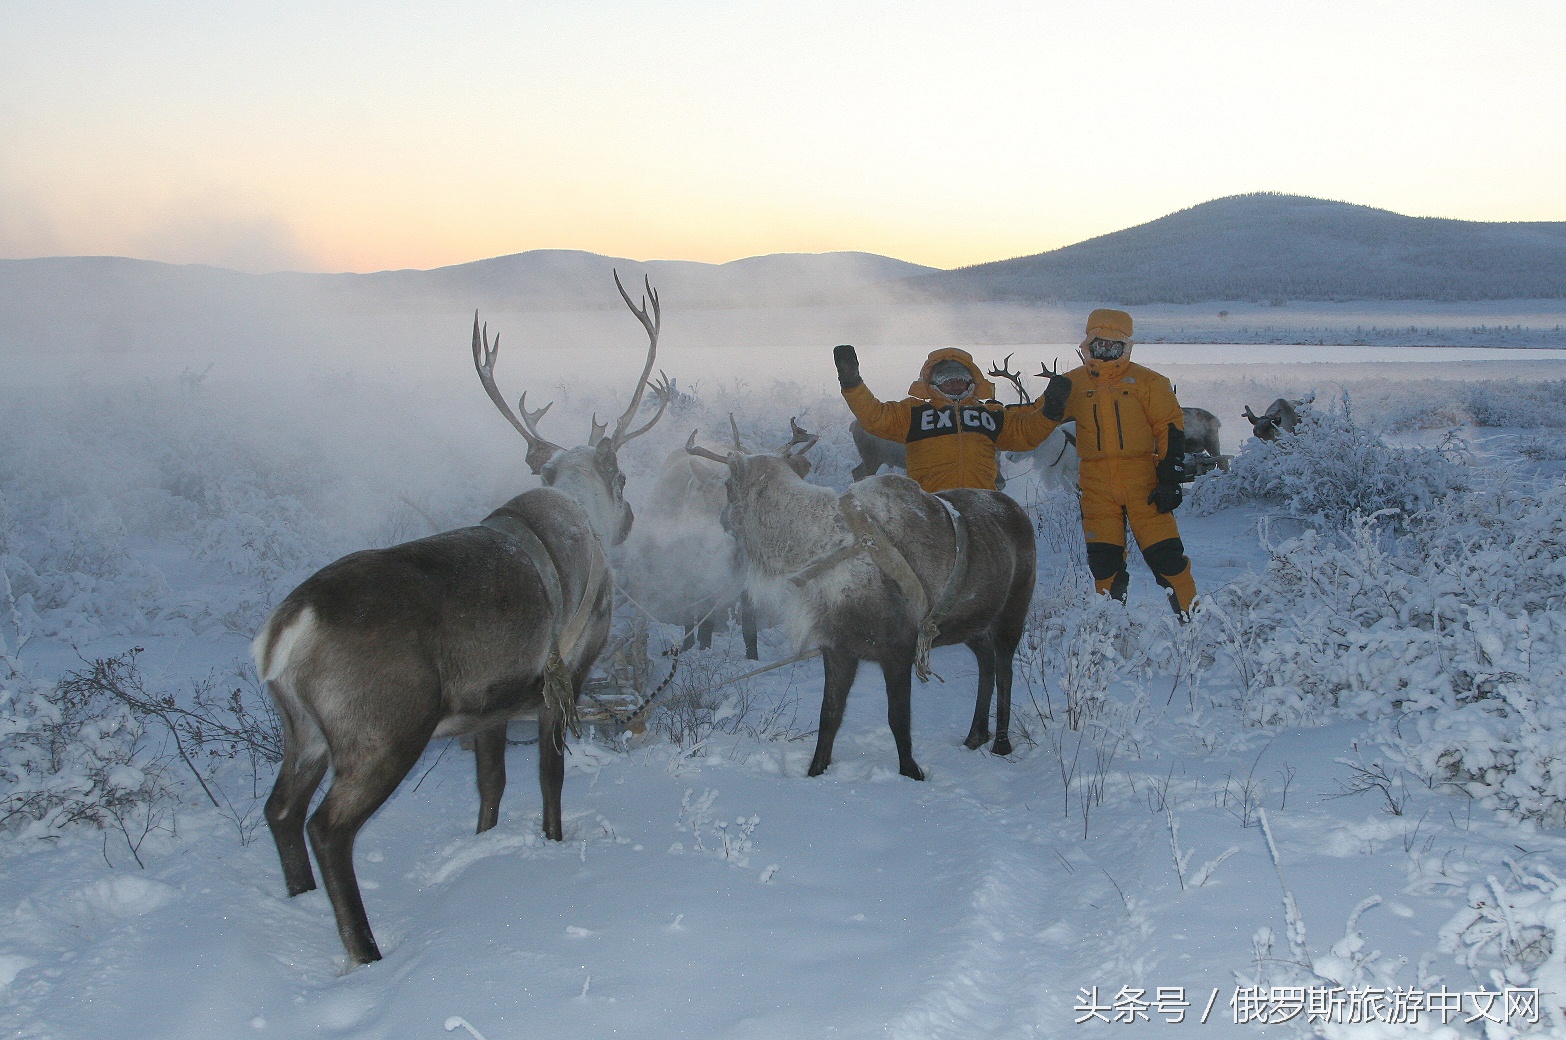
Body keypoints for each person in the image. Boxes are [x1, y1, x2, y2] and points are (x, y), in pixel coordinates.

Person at [1041, 308, 1198, 617]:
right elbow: (1032, 425)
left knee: (1168, 559)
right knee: (1104, 564)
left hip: (1144, 482)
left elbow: (1169, 427)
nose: (1106, 352)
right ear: (1088, 345)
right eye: (1100, 345)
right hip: (1096, 485)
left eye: (1114, 346)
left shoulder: (1149, 381)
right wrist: (1044, 406)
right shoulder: (1072, 384)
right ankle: (1108, 630)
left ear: (1126, 346)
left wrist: (1169, 478)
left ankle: (1193, 623)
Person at [833, 345, 1067, 493]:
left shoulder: (991, 414)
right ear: (934, 383)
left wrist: (1050, 413)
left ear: (971, 382)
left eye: (960, 379)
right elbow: (875, 417)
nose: (955, 384)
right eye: (947, 379)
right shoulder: (914, 413)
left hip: (982, 502)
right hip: (932, 504)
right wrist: (852, 384)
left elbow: (1025, 433)